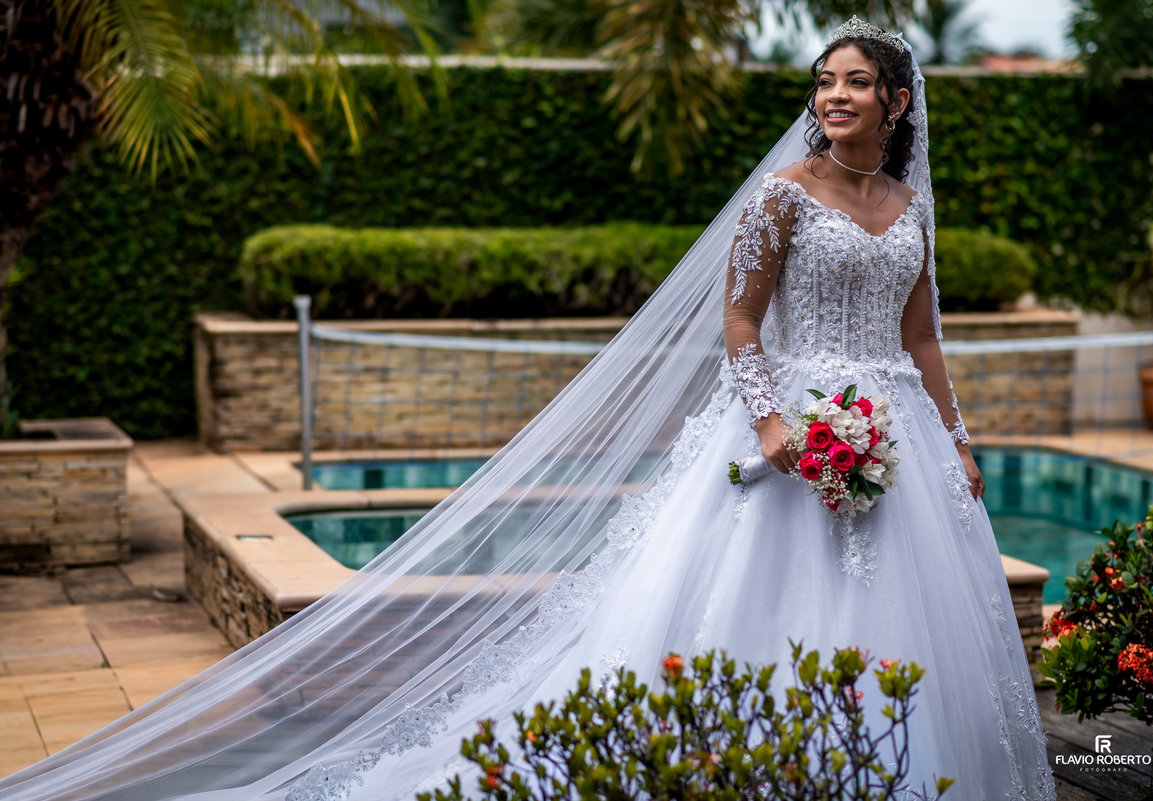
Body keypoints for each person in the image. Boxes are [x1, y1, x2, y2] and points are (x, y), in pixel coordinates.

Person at [0, 17, 1054, 801]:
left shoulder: (913, 207)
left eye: (856, 83)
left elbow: (923, 337)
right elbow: (740, 325)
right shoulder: (779, 196)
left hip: (900, 432)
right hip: (784, 430)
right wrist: (773, 423)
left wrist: (957, 442)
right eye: (824, 81)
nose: (832, 97)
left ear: (897, 102)